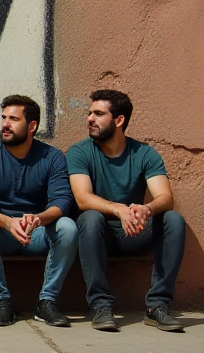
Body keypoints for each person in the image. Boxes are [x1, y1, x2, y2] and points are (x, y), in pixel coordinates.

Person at [68, 90, 186, 332]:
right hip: (97, 235)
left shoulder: (144, 153)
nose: (90, 118)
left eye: (98, 114)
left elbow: (165, 198)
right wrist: (118, 209)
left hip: (134, 231)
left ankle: (158, 306)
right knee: (90, 218)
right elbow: (82, 198)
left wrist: (146, 209)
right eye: (89, 113)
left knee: (173, 220)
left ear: (119, 120)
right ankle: (101, 306)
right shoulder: (80, 152)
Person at [0, 95, 77, 328]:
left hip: (37, 232)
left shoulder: (52, 157)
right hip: (1, 232)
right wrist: (7, 222)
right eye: (4, 118)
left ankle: (46, 302)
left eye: (13, 119)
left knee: (68, 228)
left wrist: (39, 218)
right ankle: (2, 302)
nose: (5, 124)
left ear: (32, 126)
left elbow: (62, 201)